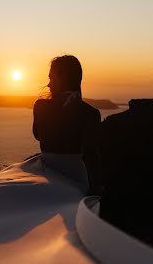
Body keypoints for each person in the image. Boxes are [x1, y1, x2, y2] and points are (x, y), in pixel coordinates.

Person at [33, 55, 102, 194]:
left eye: (51, 78)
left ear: (62, 78)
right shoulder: (91, 113)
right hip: (77, 178)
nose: (48, 84)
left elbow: (38, 135)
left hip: (46, 175)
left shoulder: (41, 106)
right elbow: (91, 155)